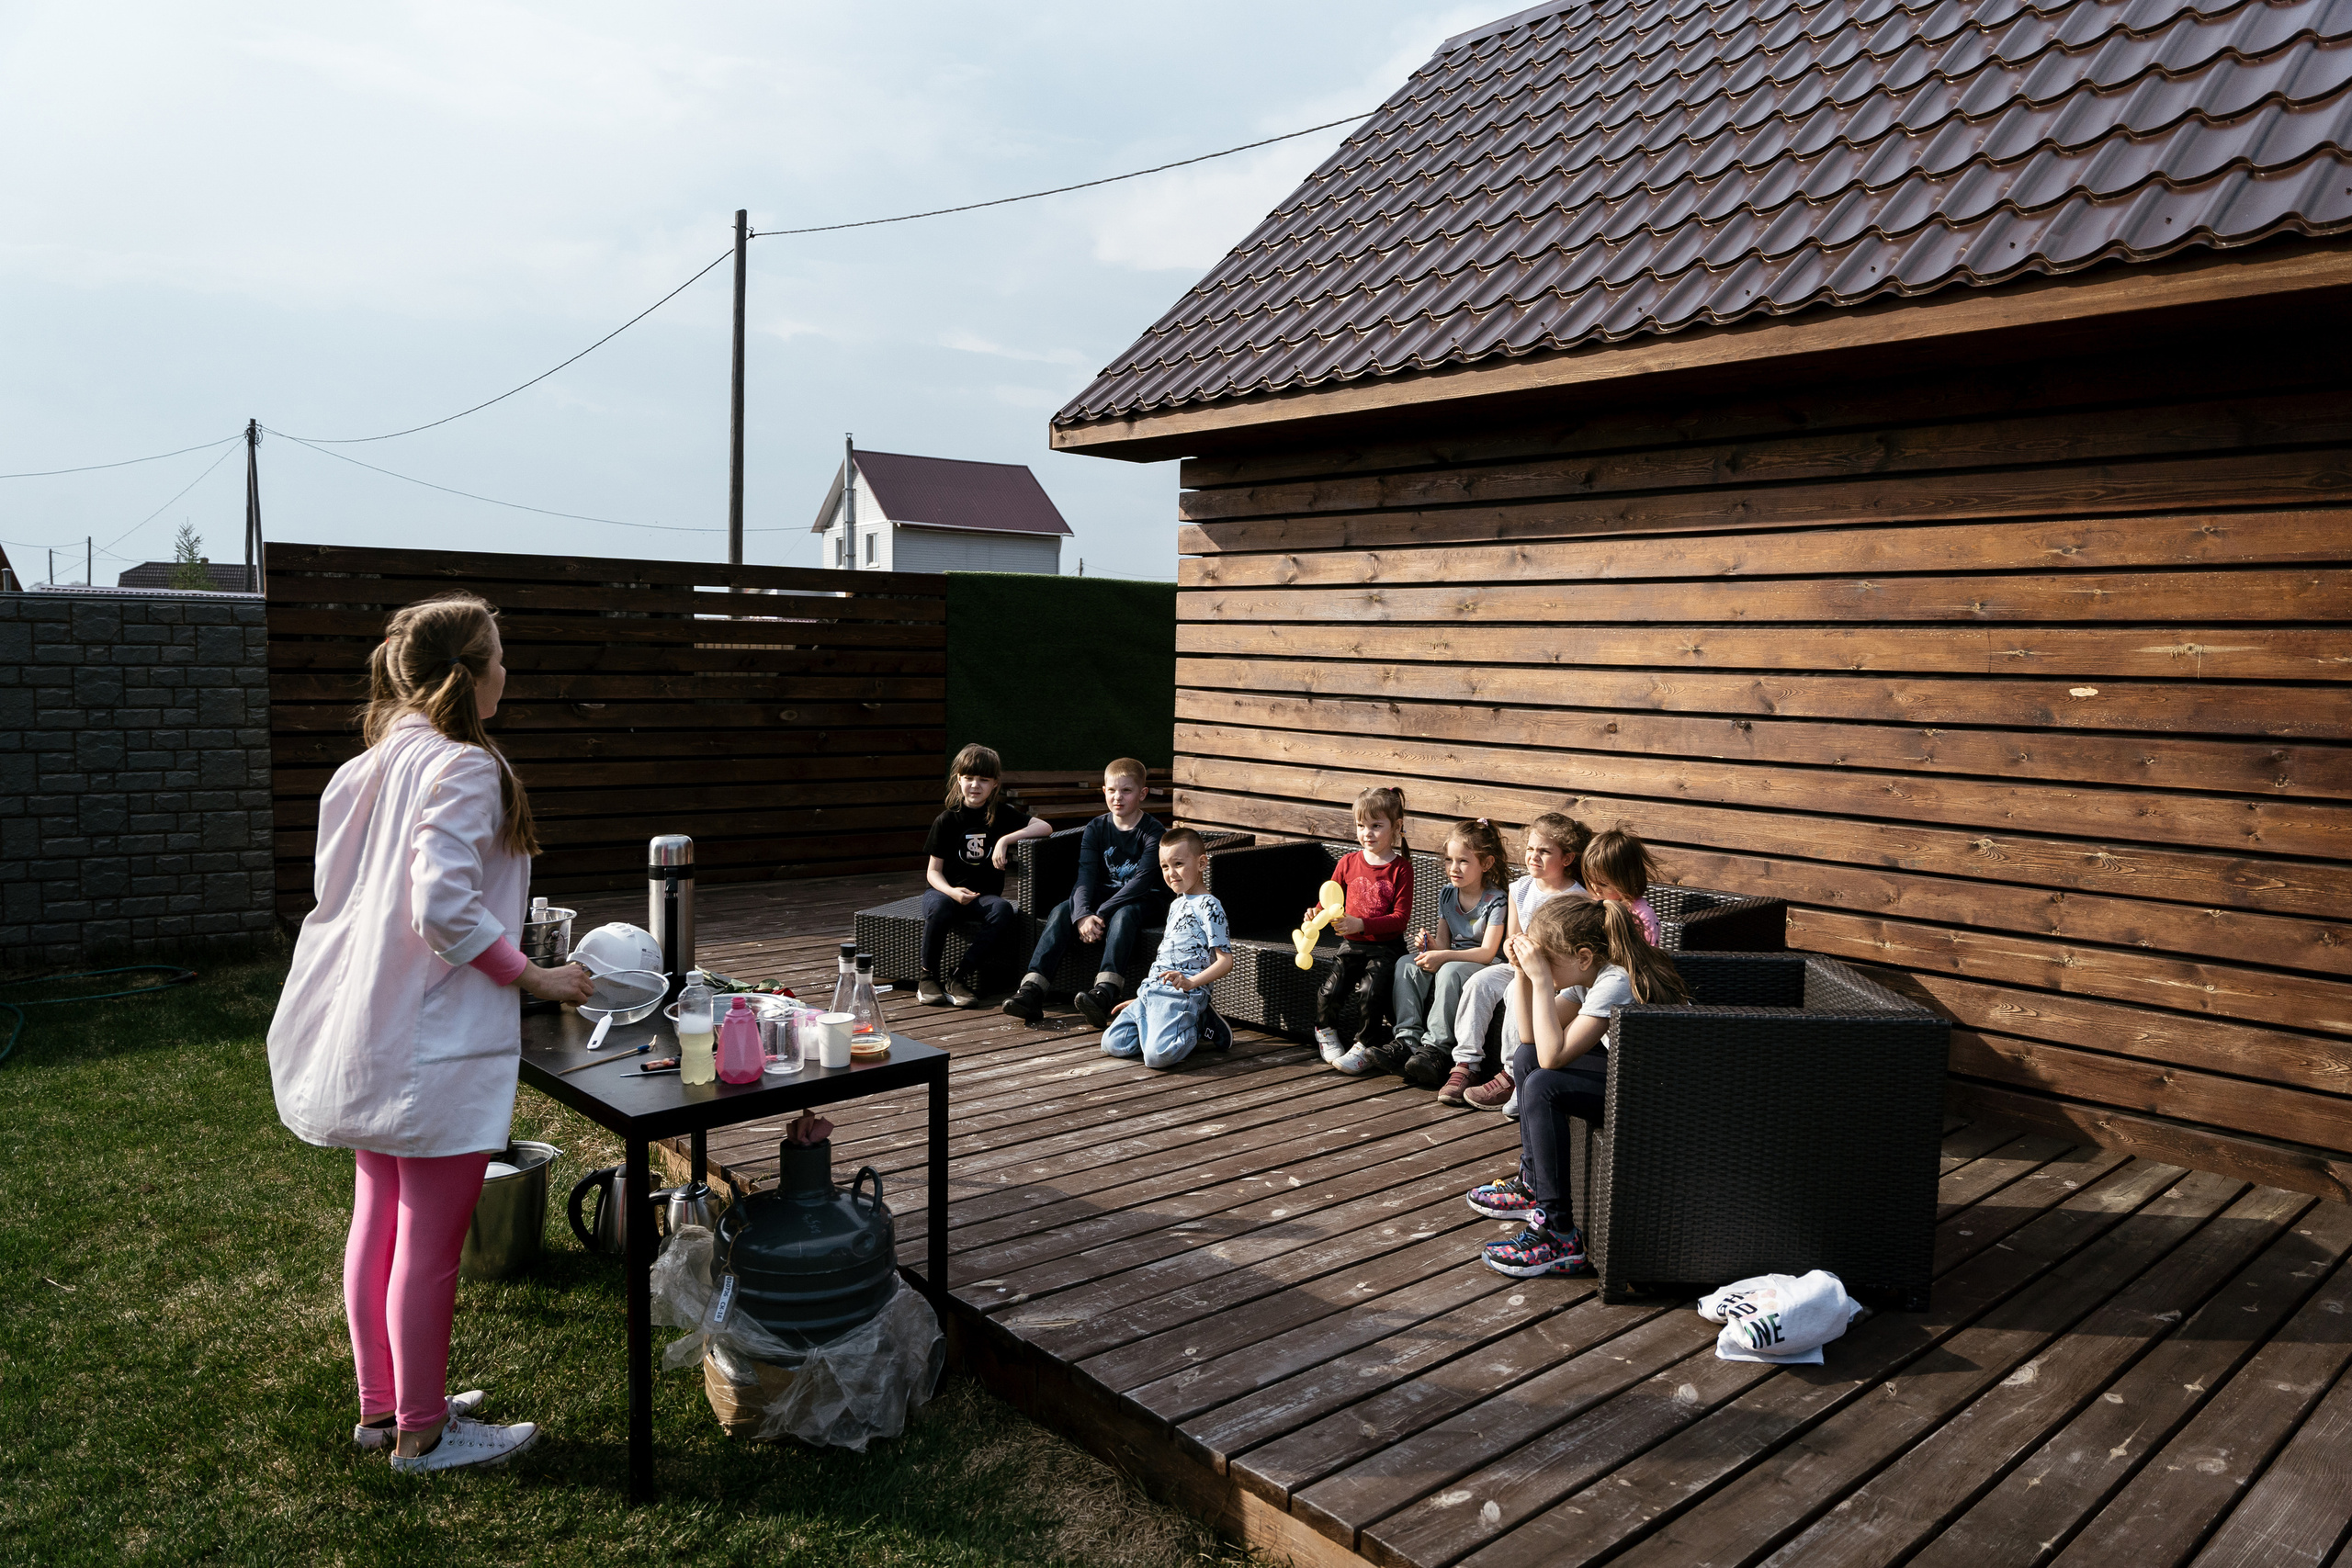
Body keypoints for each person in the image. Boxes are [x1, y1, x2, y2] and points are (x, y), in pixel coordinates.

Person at [267, 592, 594, 1473]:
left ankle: (385, 1410)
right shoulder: (463, 766)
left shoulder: (366, 765)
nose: (505, 670)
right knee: (429, 1245)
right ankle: (424, 1433)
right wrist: (534, 974)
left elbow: (352, 897)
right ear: (466, 672)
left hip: (369, 1026)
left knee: (376, 1218)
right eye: (496, 655)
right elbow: (441, 907)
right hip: (429, 1039)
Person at [1466, 895, 1689, 1278]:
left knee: (1542, 1085)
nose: (1544, 967)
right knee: (1525, 1059)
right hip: (1633, 1077)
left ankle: (1558, 1233)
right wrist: (1522, 972)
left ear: (1583, 957)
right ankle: (1534, 1184)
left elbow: (1553, 1058)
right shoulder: (1587, 973)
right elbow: (1531, 1038)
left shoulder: (1616, 980)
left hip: (1661, 1096)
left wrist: (1539, 978)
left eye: (1548, 959)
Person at [1003, 758, 1165, 1027]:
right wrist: (1081, 916)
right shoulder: (1096, 828)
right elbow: (1085, 877)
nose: (1118, 797)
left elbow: (1141, 883)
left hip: (1145, 900)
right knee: (1061, 910)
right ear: (1104, 791)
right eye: (1112, 790)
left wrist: (1098, 914)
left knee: (1124, 914)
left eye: (1127, 791)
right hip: (1103, 895)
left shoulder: (1153, 832)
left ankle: (1105, 992)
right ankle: (1032, 990)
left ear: (1142, 794)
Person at [1454, 812, 1590, 1109]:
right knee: (1479, 982)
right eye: (1530, 849)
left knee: (1517, 995)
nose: (1534, 857)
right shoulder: (1520, 889)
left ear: (1567, 859)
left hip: (1554, 975)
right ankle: (1466, 1062)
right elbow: (1511, 937)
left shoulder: (1578, 897)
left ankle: (1513, 1075)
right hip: (1517, 965)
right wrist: (1513, 949)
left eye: (1544, 851)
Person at [917, 743, 1052, 1008]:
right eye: (968, 778)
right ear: (959, 779)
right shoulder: (947, 820)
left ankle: (959, 977)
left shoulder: (1001, 815)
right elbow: (933, 872)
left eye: (983, 779)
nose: (975, 785)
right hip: (944, 893)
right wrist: (952, 892)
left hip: (983, 898)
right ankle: (927, 977)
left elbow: (1044, 827)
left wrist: (1005, 840)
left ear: (994, 784)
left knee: (1002, 909)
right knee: (941, 906)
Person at [1101, 828, 1233, 1070]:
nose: (1171, 874)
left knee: (1156, 1057)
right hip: (1152, 990)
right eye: (1164, 867)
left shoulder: (1210, 906)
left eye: (1179, 864)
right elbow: (1167, 956)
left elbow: (1226, 961)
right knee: (1112, 1043)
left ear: (1202, 863)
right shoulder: (1175, 904)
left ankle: (1199, 1023)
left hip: (1183, 994)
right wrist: (1142, 997)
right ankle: (1159, 1021)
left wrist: (1192, 983)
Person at [1395, 819, 1510, 1092]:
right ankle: (1407, 1040)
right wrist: (1429, 945)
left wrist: (1443, 956)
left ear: (1487, 863)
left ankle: (1436, 1049)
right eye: (1449, 860)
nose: (1453, 868)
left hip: (1484, 964)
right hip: (1453, 957)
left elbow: (1488, 952)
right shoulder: (1447, 894)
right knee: (1407, 964)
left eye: (1463, 861)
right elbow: (1442, 944)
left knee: (1449, 970)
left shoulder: (1496, 900)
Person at [1311, 785, 1415, 1077]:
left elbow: (1399, 919)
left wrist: (1362, 924)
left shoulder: (1401, 869)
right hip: (1351, 946)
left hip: (1386, 947)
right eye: (1361, 825)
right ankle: (1325, 1031)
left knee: (1371, 992)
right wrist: (1316, 912)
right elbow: (1329, 898)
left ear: (1396, 827)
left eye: (1376, 826)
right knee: (1331, 989)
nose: (1367, 833)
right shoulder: (1348, 862)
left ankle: (1365, 1045)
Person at [1581, 827, 1663, 945]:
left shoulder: (1641, 916)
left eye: (1603, 884)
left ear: (1627, 879)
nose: (1595, 889)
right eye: (1590, 881)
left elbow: (1648, 956)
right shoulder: (1595, 902)